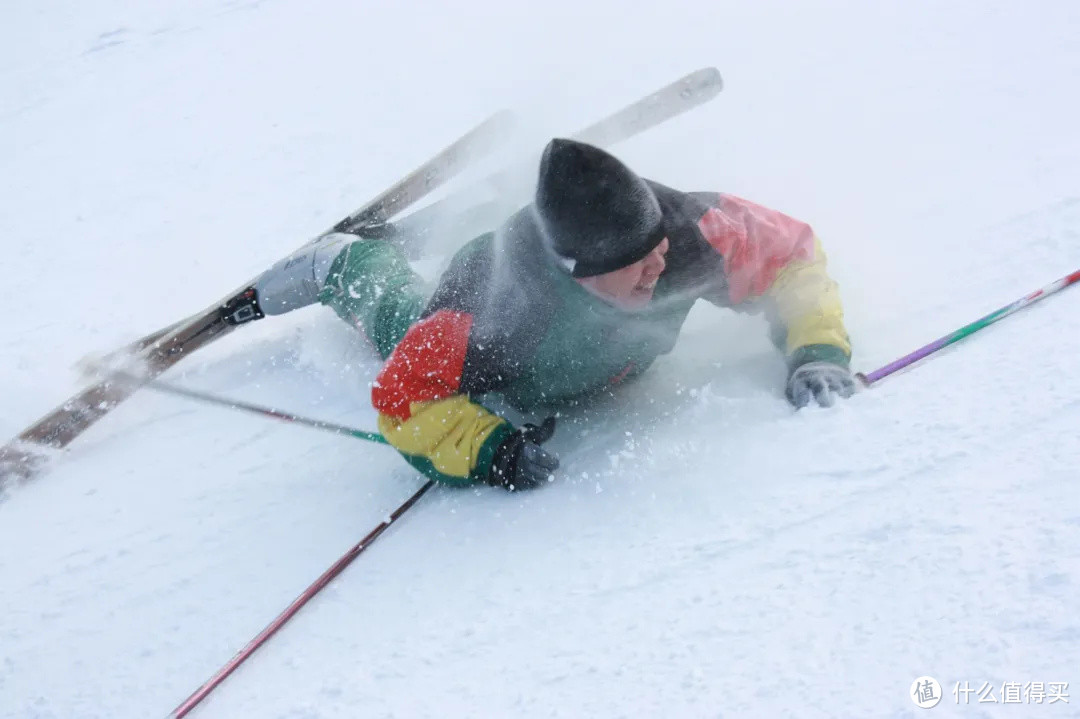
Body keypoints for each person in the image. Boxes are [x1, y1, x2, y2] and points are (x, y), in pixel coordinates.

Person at [254, 139, 855, 490]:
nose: (657, 270)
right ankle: (344, 264)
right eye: (633, 265)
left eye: (657, 252)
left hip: (608, 360)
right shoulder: (494, 309)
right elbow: (403, 396)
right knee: (396, 317)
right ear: (578, 272)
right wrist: (489, 450)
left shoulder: (691, 231)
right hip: (514, 354)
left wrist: (817, 349)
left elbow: (791, 256)